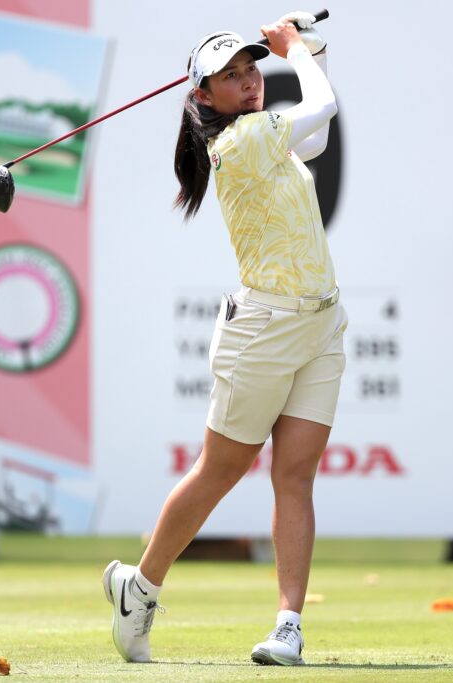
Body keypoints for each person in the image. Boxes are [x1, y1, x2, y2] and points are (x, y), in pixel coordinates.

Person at [103, 12, 345, 666]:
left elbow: (315, 128)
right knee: (222, 469)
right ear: (204, 96)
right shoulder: (240, 142)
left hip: (321, 322)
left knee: (295, 476)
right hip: (264, 329)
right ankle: (140, 586)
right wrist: (294, 47)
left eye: (251, 70)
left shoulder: (267, 138)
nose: (248, 82)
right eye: (230, 77)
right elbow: (322, 102)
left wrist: (305, 48)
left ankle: (289, 624)